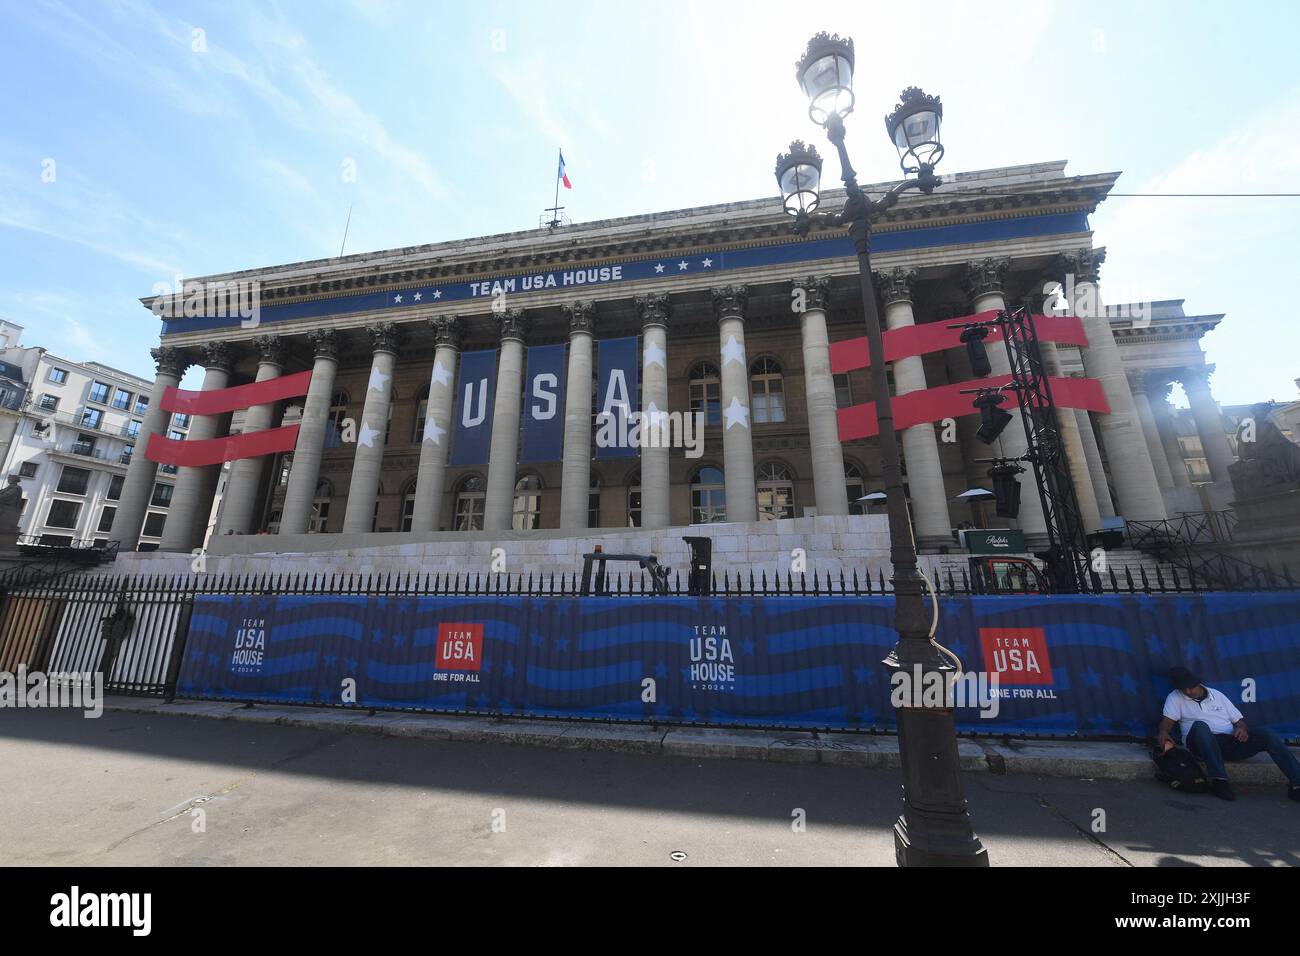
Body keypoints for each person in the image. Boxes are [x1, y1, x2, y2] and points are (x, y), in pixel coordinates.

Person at [1157, 665, 1300, 802]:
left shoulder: (1218, 695)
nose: (1188, 691)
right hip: (1199, 742)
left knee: (1268, 734)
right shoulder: (1175, 697)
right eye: (1183, 689)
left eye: (1190, 687)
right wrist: (1164, 732)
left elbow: (1239, 721)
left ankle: (1297, 784)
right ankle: (1219, 781)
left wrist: (1241, 729)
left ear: (1198, 683)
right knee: (1201, 726)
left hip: (1228, 742)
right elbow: (1167, 721)